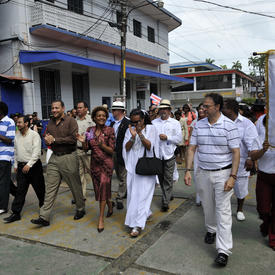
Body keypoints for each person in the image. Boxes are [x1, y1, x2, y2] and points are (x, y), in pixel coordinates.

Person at [184, 93, 240, 267]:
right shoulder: (198, 125)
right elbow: (192, 148)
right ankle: (211, 229)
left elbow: (236, 152)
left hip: (223, 174)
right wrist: (187, 170)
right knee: (208, 206)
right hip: (203, 173)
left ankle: (223, 250)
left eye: (207, 106)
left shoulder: (229, 126)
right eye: (203, 106)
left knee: (222, 211)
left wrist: (233, 176)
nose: (203, 109)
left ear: (217, 107)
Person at [31, 100, 85, 227]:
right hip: (54, 157)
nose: (54, 110)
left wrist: (55, 140)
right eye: (52, 108)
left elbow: (72, 139)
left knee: (75, 185)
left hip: (69, 157)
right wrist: (48, 140)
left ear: (63, 108)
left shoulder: (71, 121)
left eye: (57, 108)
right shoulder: (50, 123)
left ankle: (80, 208)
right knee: (50, 187)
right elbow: (48, 138)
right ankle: (44, 216)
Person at [78, 106, 115, 233]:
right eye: (99, 115)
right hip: (94, 165)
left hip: (106, 164)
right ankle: (109, 204)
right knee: (100, 190)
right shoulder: (90, 130)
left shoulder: (110, 130)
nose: (101, 117)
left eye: (104, 115)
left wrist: (102, 145)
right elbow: (86, 149)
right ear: (94, 118)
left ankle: (100, 219)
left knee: (104, 185)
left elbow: (112, 150)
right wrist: (83, 142)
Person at [123, 109, 159, 237]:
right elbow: (126, 148)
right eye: (132, 122)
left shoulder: (151, 129)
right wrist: (132, 137)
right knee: (133, 196)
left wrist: (140, 134)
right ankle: (143, 214)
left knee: (143, 196)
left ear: (143, 119)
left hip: (146, 167)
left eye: (137, 121)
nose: (135, 124)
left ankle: (137, 225)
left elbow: (150, 146)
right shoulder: (129, 130)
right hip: (133, 167)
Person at [4, 115, 45, 223]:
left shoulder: (34, 135)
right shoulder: (17, 136)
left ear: (26, 123)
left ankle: (44, 211)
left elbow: (36, 153)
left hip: (34, 167)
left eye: (19, 122)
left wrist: (29, 164)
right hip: (22, 167)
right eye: (17, 122)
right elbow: (16, 152)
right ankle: (16, 213)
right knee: (20, 191)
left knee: (40, 190)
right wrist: (16, 165)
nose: (17, 124)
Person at [222, 99, 258, 221]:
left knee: (240, 188)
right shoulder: (220, 121)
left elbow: (252, 143)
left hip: (241, 162)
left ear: (231, 110)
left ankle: (240, 209)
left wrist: (250, 158)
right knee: (222, 187)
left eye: (224, 107)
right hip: (223, 161)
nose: (221, 109)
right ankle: (223, 210)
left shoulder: (246, 124)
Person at [152, 99, 182, 212]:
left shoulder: (175, 123)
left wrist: (167, 138)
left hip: (169, 154)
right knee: (161, 178)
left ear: (169, 110)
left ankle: (165, 201)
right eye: (161, 109)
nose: (163, 111)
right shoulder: (154, 123)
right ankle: (168, 194)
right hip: (158, 155)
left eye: (165, 109)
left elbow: (179, 139)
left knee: (168, 179)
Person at [250, 115, 275, 251]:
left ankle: (273, 238)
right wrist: (263, 150)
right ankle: (266, 223)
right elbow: (253, 156)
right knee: (263, 209)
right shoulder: (261, 136)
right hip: (264, 176)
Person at [110, 101, 130, 210]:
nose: (112, 112)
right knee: (118, 174)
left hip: (124, 153)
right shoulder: (113, 124)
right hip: (114, 152)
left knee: (123, 176)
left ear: (120, 111)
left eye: (114, 110)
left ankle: (120, 197)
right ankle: (124, 191)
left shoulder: (128, 123)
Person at [75, 101, 95, 202]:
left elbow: (93, 136)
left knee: (92, 172)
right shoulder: (74, 121)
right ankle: (82, 195)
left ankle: (99, 191)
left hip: (87, 151)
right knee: (79, 174)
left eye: (80, 108)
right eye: (77, 108)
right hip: (77, 150)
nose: (78, 109)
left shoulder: (91, 121)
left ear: (86, 109)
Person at [0, 102, 16, 214]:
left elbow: (10, 140)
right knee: (5, 180)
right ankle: (19, 194)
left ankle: (3, 207)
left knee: (3, 182)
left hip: (5, 156)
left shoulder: (9, 122)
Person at [192, 103, 207, 206]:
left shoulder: (211, 121)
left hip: (208, 152)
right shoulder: (195, 123)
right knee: (197, 175)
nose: (201, 110)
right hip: (197, 152)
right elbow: (192, 139)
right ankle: (199, 197)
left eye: (203, 108)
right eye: (199, 109)